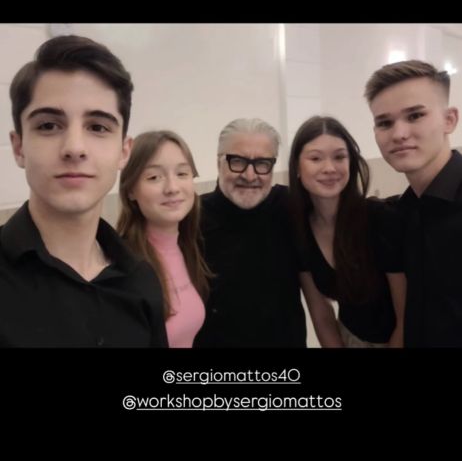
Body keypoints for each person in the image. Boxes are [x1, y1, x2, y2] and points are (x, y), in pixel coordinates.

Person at [0, 35, 167, 348]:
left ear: (124, 152)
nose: (74, 148)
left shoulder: (142, 280)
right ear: (19, 147)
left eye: (98, 127)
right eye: (48, 126)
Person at [365, 59, 461, 348]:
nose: (399, 134)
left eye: (415, 115)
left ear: (449, 120)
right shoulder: (402, 213)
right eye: (385, 123)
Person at [289, 116, 406, 347]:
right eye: (315, 158)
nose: (329, 168)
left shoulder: (380, 219)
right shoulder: (300, 230)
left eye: (340, 157)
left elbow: (406, 314)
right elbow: (321, 314)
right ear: (297, 168)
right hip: (350, 337)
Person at [193, 118, 307, 348]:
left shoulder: (291, 207)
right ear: (218, 163)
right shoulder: (190, 219)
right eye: (237, 161)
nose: (250, 175)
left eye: (262, 163)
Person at [118, 131, 211, 348]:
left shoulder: (188, 246)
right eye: (154, 177)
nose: (172, 188)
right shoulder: (124, 266)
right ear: (131, 190)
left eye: (182, 173)